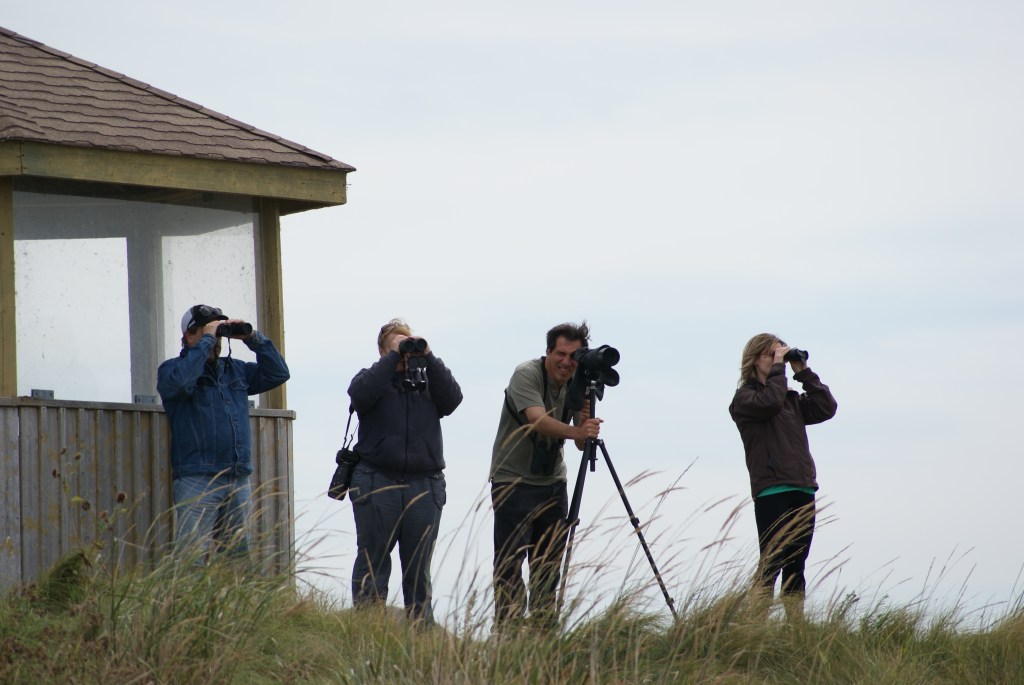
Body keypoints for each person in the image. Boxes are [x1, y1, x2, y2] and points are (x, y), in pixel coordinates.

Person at [347, 318, 463, 625]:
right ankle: (367, 630)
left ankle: (421, 636)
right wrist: (393, 359)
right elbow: (360, 395)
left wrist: (429, 355)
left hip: (424, 485)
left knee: (418, 571)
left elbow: (453, 399)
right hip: (377, 481)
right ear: (382, 351)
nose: (405, 352)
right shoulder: (371, 379)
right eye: (396, 346)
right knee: (372, 564)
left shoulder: (427, 384)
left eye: (407, 344)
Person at [489, 321, 603, 631]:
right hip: (512, 480)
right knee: (510, 567)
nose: (567, 362)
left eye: (574, 357)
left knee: (548, 568)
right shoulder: (526, 373)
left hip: (552, 483)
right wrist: (577, 430)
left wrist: (586, 420)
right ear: (548, 352)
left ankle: (542, 637)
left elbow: (581, 443)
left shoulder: (578, 381)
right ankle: (508, 636)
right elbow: (536, 420)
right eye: (560, 354)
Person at [157, 304, 290, 563]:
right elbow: (182, 384)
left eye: (219, 334)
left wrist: (253, 339)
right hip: (197, 477)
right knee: (191, 559)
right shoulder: (171, 370)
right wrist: (205, 341)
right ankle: (187, 604)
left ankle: (232, 604)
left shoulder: (236, 370)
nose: (216, 341)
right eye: (210, 333)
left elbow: (278, 373)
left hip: (237, 477)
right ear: (188, 335)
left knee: (238, 561)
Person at [728, 333, 837, 619]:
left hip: (802, 488)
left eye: (780, 355)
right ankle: (755, 627)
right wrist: (779, 369)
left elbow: (827, 408)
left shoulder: (791, 400)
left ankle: (794, 630)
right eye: (770, 355)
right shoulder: (745, 399)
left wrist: (803, 372)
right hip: (771, 490)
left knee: (796, 565)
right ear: (753, 361)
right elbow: (769, 403)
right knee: (772, 561)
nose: (778, 361)